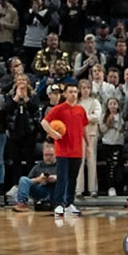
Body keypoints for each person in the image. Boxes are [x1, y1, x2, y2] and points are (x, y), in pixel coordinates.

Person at [43, 83, 90, 219]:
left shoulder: (81, 110)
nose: (73, 94)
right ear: (65, 94)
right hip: (63, 150)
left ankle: (70, 203)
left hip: (77, 150)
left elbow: (84, 129)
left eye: (75, 92)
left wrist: (88, 145)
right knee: (62, 177)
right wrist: (53, 133)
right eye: (70, 92)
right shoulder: (59, 109)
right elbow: (44, 122)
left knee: (73, 178)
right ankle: (59, 203)